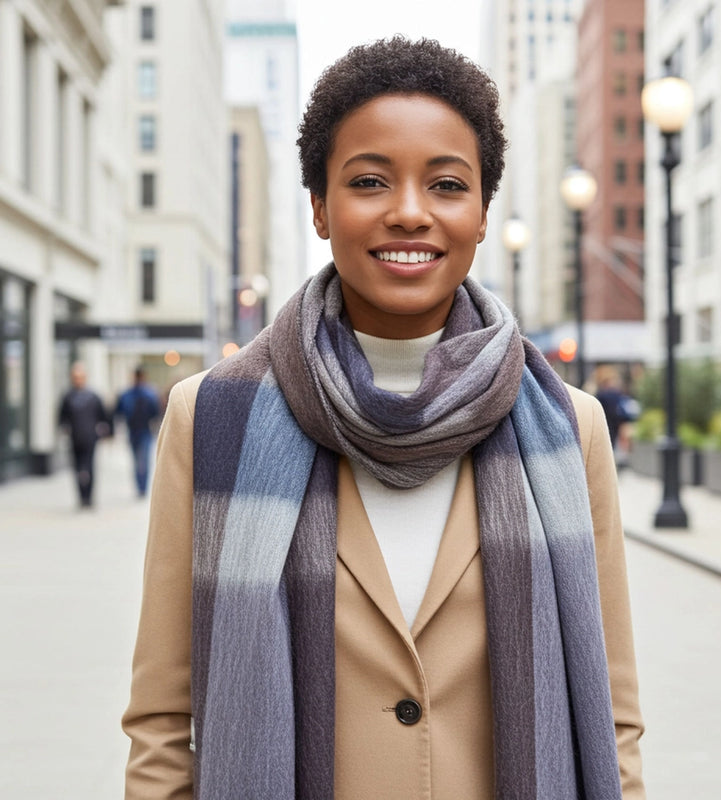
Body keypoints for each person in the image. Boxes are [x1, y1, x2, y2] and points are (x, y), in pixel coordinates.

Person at [123, 37, 646, 799]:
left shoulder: (571, 426)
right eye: (369, 181)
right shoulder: (211, 414)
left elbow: (612, 711)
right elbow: (163, 721)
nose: (408, 212)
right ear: (320, 208)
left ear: (482, 214)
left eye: (447, 185)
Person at [58, 362, 110, 508]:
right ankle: (81, 496)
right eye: (75, 377)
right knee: (77, 468)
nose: (78, 380)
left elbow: (103, 416)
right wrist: (64, 428)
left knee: (90, 467)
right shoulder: (68, 397)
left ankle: (89, 497)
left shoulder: (93, 396)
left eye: (80, 377)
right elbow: (62, 417)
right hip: (75, 438)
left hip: (90, 438)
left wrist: (104, 431)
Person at [115, 365, 161, 497]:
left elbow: (155, 412)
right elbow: (120, 411)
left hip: (144, 430)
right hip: (134, 431)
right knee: (137, 460)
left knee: (142, 460)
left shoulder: (148, 394)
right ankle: (140, 487)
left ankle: (142, 487)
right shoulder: (130, 394)